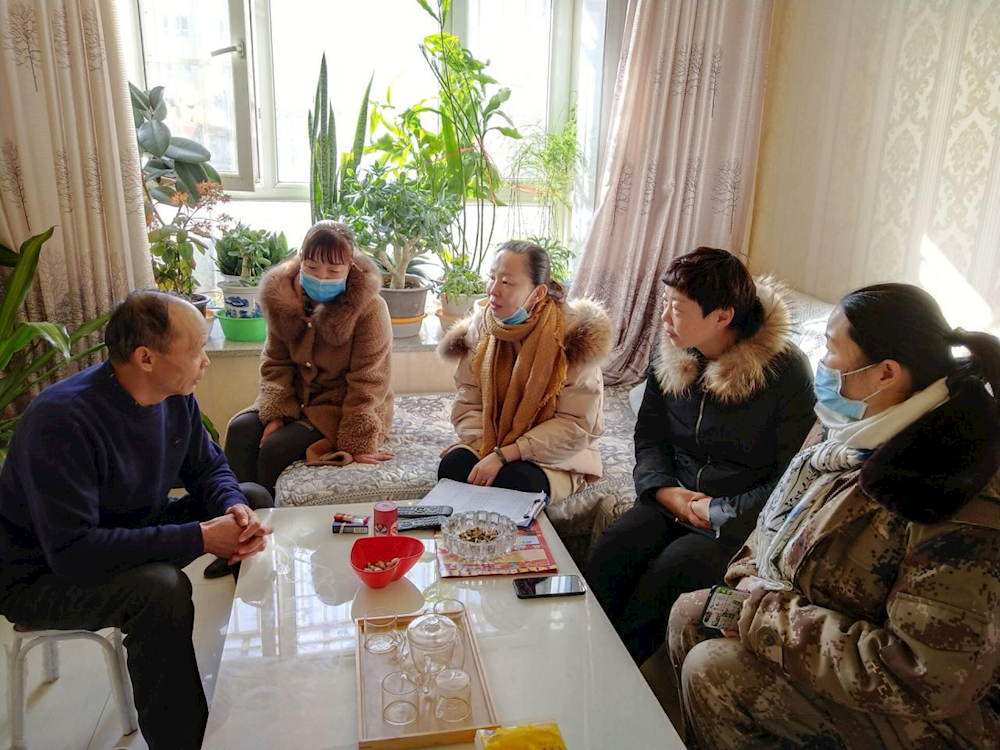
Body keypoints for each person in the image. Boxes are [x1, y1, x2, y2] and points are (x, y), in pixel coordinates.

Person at [668, 283, 1000, 750]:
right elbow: (772, 527)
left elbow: (930, 676)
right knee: (692, 612)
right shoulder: (848, 430)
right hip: (810, 619)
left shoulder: (952, 486)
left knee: (714, 671)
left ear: (885, 373)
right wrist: (748, 586)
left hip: (929, 713)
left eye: (830, 349)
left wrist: (763, 616)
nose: (822, 365)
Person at [0, 291, 273, 750]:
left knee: (253, 497)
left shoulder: (174, 396)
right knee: (160, 590)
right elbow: (75, 554)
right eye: (196, 350)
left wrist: (232, 508)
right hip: (42, 575)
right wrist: (201, 538)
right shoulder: (61, 422)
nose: (205, 361)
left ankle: (252, 666)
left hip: (125, 528)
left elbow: (208, 467)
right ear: (146, 358)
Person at [587, 247, 815, 666]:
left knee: (671, 574)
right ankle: (579, 651)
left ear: (722, 316)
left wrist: (716, 511)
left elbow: (790, 482)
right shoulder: (672, 352)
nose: (664, 318)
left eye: (677, 308)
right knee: (613, 550)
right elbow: (650, 435)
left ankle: (617, 676)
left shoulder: (785, 372)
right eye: (666, 303)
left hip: (736, 523)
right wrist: (663, 491)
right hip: (672, 498)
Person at [226, 220, 394, 499]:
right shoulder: (282, 298)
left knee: (274, 448)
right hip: (296, 397)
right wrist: (277, 413)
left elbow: (369, 380)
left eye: (333, 271)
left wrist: (358, 442)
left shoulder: (370, 309)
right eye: (312, 267)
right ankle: (234, 510)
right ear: (301, 259)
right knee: (240, 431)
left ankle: (267, 517)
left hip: (340, 405)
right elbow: (275, 362)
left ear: (350, 267)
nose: (322, 277)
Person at [437, 240, 613, 500]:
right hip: (491, 439)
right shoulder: (483, 325)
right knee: (453, 469)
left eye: (507, 282)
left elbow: (576, 424)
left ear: (538, 293)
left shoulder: (571, 336)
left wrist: (506, 454)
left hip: (552, 453)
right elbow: (469, 397)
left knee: (516, 483)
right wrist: (486, 448)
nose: (493, 290)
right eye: (492, 278)